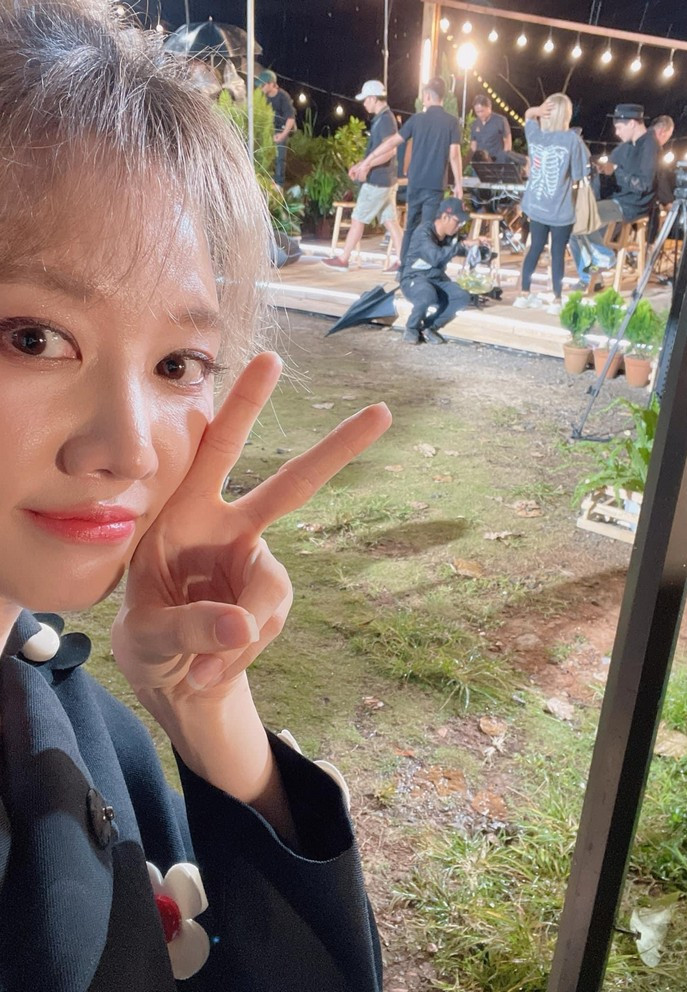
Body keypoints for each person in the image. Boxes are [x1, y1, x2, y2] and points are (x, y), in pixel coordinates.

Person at [0, 3, 390, 991]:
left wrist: (206, 705)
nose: (130, 448)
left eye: (178, 362)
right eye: (34, 337)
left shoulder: (92, 727)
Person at [352, 76, 463, 262]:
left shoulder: (417, 119)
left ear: (427, 96)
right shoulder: (451, 122)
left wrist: (367, 160)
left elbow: (391, 143)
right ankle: (424, 268)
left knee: (410, 227)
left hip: (415, 183)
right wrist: (458, 184)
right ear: (443, 97)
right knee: (429, 229)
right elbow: (454, 155)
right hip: (435, 185)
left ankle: (404, 267)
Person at [513, 94, 589, 315]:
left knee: (535, 248)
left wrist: (536, 110)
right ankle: (556, 299)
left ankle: (524, 294)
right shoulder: (572, 140)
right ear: (566, 115)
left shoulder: (535, 135)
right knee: (557, 253)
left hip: (536, 207)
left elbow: (528, 116)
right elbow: (579, 174)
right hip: (560, 209)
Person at [569, 103, 659, 288]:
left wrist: (616, 170)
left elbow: (644, 185)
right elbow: (611, 169)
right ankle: (591, 278)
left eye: (619, 127)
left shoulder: (649, 145)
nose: (617, 133)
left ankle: (605, 255)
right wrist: (601, 170)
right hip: (617, 199)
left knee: (581, 218)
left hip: (633, 204)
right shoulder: (625, 147)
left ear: (632, 123)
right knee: (570, 223)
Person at [323, 80, 403, 271]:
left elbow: (390, 151)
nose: (364, 104)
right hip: (386, 179)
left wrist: (365, 166)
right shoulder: (384, 118)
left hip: (377, 181)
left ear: (374, 98)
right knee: (390, 221)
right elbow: (381, 152)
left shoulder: (385, 120)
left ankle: (343, 259)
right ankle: (402, 261)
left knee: (358, 219)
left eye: (366, 100)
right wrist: (361, 165)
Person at [399, 197, 472, 344]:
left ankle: (430, 326)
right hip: (414, 278)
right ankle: (411, 327)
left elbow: (457, 250)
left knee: (462, 296)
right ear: (445, 217)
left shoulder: (451, 236)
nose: (459, 226)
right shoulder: (423, 232)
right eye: (457, 222)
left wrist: (478, 249)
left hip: (437, 279)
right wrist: (462, 245)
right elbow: (436, 257)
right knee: (427, 295)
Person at [256, 68, 295, 188]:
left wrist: (283, 135)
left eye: (263, 85)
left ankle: (279, 185)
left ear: (271, 84)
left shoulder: (283, 97)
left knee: (279, 157)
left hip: (282, 129)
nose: (260, 88)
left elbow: (290, 119)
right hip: (268, 129)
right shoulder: (263, 97)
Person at [470, 94, 511, 161]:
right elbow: (473, 145)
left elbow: (508, 144)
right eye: (477, 112)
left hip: (497, 162)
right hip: (481, 163)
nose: (480, 114)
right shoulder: (475, 123)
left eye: (482, 111)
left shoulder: (500, 120)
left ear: (489, 108)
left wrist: (503, 161)